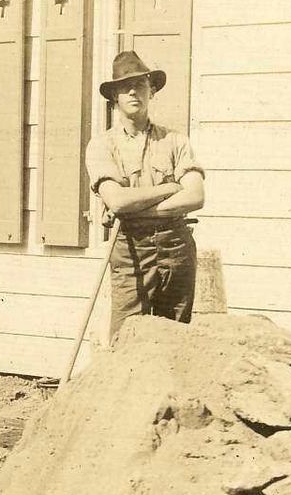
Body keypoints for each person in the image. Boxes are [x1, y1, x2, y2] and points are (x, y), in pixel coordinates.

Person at [85, 50, 205, 325]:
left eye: (140, 84)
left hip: (176, 246)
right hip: (130, 249)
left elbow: (196, 196)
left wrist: (135, 207)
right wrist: (171, 187)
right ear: (114, 96)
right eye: (124, 87)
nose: (133, 92)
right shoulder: (102, 145)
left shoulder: (176, 141)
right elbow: (117, 201)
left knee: (174, 336)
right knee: (127, 333)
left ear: (152, 91)